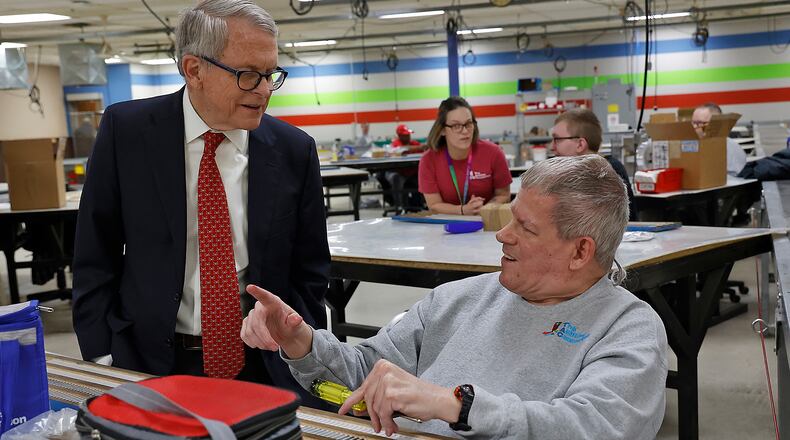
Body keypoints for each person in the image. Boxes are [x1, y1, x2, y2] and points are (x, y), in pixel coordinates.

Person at [241, 155, 668, 439]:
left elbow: (596, 427)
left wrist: (457, 406)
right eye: (510, 219)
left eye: (525, 227)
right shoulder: (459, 299)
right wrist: (300, 341)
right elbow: (363, 378)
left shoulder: (627, 328)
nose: (502, 235)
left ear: (580, 252)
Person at [71, 0, 330, 408]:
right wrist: (102, 356)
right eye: (248, 75)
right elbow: (94, 255)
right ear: (194, 70)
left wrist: (301, 355)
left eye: (270, 75)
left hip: (264, 366)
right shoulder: (128, 133)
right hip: (147, 363)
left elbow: (310, 270)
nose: (264, 90)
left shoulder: (294, 150)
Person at [418, 97, 512, 215]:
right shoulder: (429, 160)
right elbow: (434, 205)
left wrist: (484, 210)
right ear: (442, 130)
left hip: (487, 220)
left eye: (468, 123)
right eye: (456, 126)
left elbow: (503, 195)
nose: (465, 131)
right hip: (447, 223)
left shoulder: (493, 152)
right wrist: (463, 210)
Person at [551, 108, 638, 220]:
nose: (552, 147)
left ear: (580, 145)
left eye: (557, 139)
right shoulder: (571, 173)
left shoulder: (605, 172)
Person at [692, 102, 747, 176]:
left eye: (700, 123)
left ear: (716, 123)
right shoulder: (695, 144)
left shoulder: (730, 148)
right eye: (693, 123)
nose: (695, 128)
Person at [381, 124, 424, 213]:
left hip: (412, 172)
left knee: (423, 177)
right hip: (398, 172)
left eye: (408, 134)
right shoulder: (395, 144)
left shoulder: (414, 143)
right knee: (396, 178)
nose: (408, 136)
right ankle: (399, 207)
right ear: (399, 136)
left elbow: (423, 149)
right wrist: (419, 147)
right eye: (405, 135)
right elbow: (400, 149)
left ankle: (419, 206)